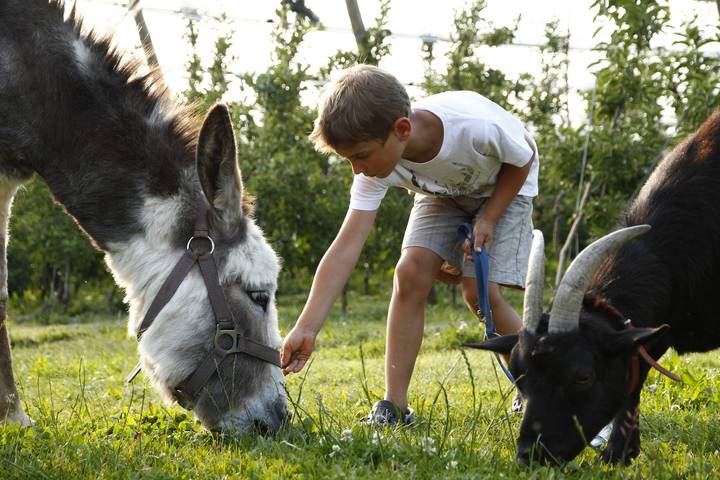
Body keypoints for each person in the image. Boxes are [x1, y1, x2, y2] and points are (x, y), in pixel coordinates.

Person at [281, 64, 538, 425]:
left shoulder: (473, 128)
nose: (356, 169)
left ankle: (542, 382)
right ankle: (394, 406)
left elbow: (523, 156)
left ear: (401, 129)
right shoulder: (378, 164)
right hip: (443, 194)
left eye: (360, 156)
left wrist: (489, 218)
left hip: (506, 185)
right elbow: (346, 245)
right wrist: (306, 326)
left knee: (478, 294)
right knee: (410, 271)